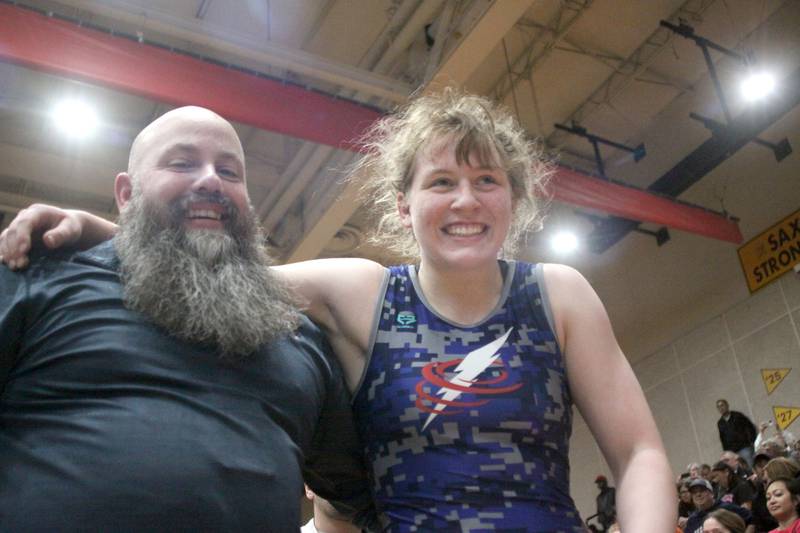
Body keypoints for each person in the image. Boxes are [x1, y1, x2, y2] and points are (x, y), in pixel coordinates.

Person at [0, 91, 676, 531]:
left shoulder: (557, 293)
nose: (465, 200)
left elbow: (641, 450)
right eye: (441, 182)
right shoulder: (362, 289)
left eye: (487, 181)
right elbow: (211, 264)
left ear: (514, 199)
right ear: (404, 205)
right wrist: (109, 230)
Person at [0, 107, 373, 531]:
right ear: (126, 195)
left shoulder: (296, 335)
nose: (212, 179)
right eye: (182, 163)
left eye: (230, 172)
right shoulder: (42, 277)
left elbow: (358, 496)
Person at [683, 478, 753, 533]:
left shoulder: (726, 508)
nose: (698, 494)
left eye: (702, 490)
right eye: (694, 492)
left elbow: (752, 520)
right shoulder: (692, 520)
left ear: (712, 493)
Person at [718, 399, 758, 467]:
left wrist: (752, 441)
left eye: (722, 405)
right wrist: (726, 452)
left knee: (750, 466)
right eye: (718, 407)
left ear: (727, 405)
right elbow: (723, 439)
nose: (721, 408)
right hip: (732, 452)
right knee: (740, 470)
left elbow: (750, 427)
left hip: (744, 447)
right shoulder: (720, 423)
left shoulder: (737, 416)